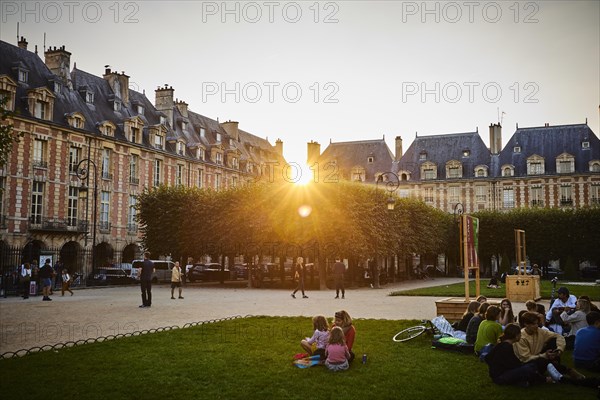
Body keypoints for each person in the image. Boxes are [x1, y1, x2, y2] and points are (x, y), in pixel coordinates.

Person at [484, 323, 549, 387]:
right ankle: (544, 379)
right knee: (529, 368)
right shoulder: (507, 347)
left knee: (531, 365)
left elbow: (487, 358)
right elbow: (515, 365)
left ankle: (523, 382)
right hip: (500, 377)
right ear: (516, 336)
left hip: (498, 375)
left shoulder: (501, 344)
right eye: (520, 334)